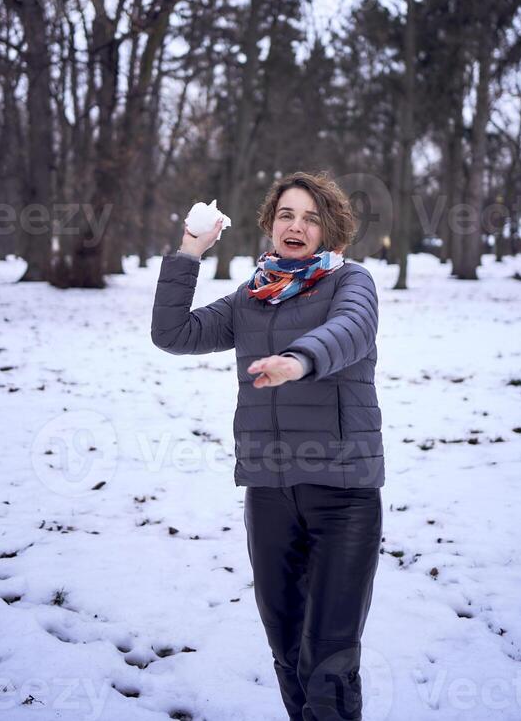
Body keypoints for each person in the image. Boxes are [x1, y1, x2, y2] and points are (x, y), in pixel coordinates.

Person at [151, 171, 384, 721]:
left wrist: (298, 360)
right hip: (269, 491)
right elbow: (174, 334)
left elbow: (351, 330)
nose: (296, 225)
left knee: (329, 659)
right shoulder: (250, 298)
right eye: (286, 215)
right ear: (270, 225)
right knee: (286, 654)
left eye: (310, 217)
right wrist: (189, 250)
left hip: (343, 495)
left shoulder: (352, 282)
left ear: (331, 230)